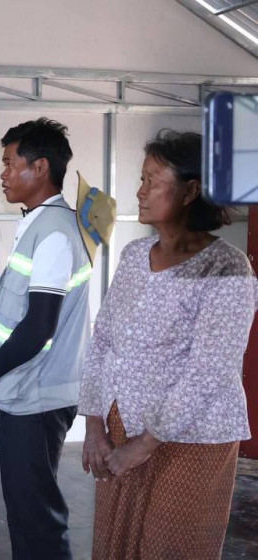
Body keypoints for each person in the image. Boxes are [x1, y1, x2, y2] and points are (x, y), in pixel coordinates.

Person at [78, 130, 256, 560]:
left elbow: (209, 372)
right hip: (122, 430)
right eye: (141, 179)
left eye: (152, 181)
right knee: (116, 546)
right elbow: (103, 340)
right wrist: (94, 424)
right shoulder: (135, 256)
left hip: (190, 443)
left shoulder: (227, 268)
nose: (140, 192)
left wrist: (144, 444)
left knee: (170, 547)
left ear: (191, 190)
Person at [0, 118, 91, 560]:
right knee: (25, 511)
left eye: (9, 163)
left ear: (40, 168)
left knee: (36, 519)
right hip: (24, 390)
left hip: (37, 396)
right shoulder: (39, 224)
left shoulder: (54, 232)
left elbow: (38, 328)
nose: (2, 174)